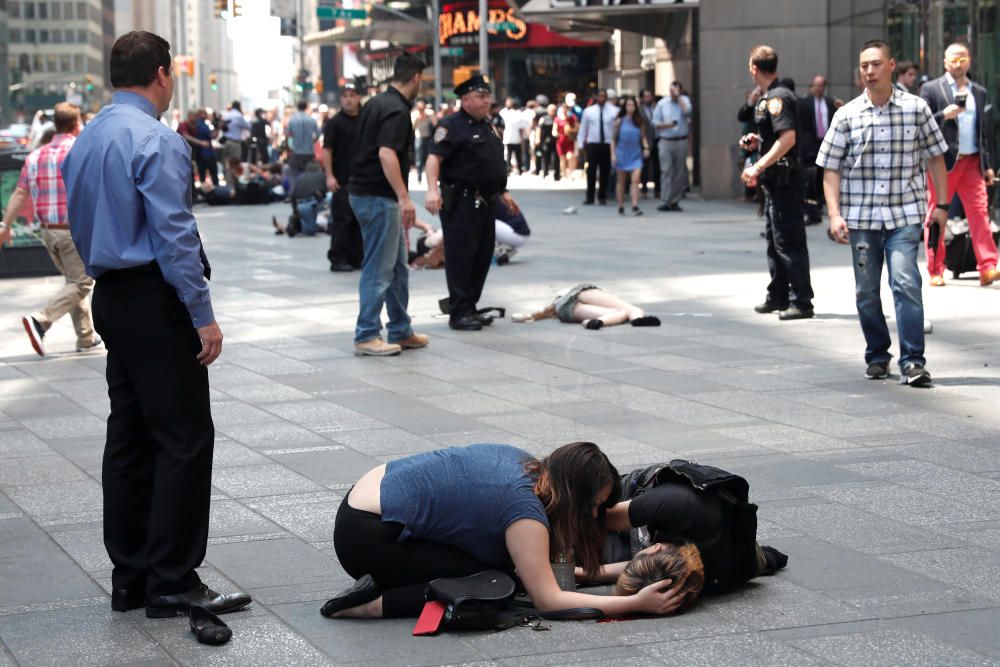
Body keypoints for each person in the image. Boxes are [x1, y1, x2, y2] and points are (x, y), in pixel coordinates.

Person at [60, 30, 250, 617]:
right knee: (184, 438)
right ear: (162, 73)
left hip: (112, 297)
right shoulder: (157, 141)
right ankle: (174, 579)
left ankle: (132, 577)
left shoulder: (86, 140)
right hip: (155, 299)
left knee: (130, 438)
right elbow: (173, 237)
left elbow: (79, 221)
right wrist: (203, 315)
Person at [320, 442, 686, 619]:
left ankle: (387, 583)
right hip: (367, 536)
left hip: (363, 504)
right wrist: (636, 604)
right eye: (593, 505)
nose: (595, 515)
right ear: (574, 495)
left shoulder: (527, 465)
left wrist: (628, 565)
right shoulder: (524, 512)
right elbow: (549, 600)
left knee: (510, 568)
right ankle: (366, 607)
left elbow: (545, 571)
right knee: (497, 581)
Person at [817, 40, 948, 386]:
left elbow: (936, 157)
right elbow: (830, 168)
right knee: (866, 292)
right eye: (864, 66)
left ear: (891, 66)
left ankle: (913, 361)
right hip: (861, 219)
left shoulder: (916, 108)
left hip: (904, 214)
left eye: (876, 64)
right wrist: (834, 214)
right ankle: (877, 354)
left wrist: (943, 206)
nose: (869, 72)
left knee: (905, 282)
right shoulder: (846, 115)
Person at [592, 461, 788, 605]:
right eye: (637, 559)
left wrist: (585, 574)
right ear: (655, 548)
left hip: (682, 538)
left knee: (598, 558)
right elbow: (597, 519)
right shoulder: (677, 504)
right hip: (639, 496)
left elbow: (773, 559)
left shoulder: (712, 581)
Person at [1, 102, 102, 357]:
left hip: (47, 232)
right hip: (71, 231)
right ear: (77, 124)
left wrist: (6, 224)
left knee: (73, 280)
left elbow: (20, 193)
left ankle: (86, 337)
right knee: (82, 282)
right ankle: (40, 320)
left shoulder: (35, 156)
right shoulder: (79, 151)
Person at [425, 74, 521, 331]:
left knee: (482, 255)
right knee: (461, 257)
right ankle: (459, 312)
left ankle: (470, 306)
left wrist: (504, 191)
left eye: (487, 96)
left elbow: (491, 164)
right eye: (480, 96)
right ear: (465, 99)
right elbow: (434, 158)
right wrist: (432, 190)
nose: (486, 101)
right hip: (462, 201)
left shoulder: (486, 125)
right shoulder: (451, 125)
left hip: (487, 201)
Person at [349, 53, 430, 356]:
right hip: (378, 197)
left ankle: (400, 328)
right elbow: (386, 154)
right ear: (416, 78)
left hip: (369, 194)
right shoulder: (396, 110)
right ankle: (367, 334)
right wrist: (404, 197)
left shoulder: (376, 103)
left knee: (397, 267)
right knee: (380, 269)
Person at [740, 45, 815, 321]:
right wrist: (757, 143)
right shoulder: (770, 96)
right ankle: (779, 295)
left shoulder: (778, 98)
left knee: (789, 240)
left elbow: (788, 138)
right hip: (776, 181)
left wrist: (757, 166)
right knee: (775, 240)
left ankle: (802, 301)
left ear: (753, 68)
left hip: (786, 180)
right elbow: (776, 138)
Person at [920, 42, 999, 287]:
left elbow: (982, 132)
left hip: (972, 161)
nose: (958, 64)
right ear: (945, 62)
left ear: (969, 61)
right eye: (953, 59)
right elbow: (921, 122)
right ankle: (935, 268)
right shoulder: (931, 89)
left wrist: (987, 165)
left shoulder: (979, 91)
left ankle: (988, 266)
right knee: (937, 213)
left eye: (962, 59)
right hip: (942, 162)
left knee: (979, 213)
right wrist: (945, 114)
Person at [323, 82, 364, 271]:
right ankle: (338, 258)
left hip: (362, 180)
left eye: (352, 95)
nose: (348, 99)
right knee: (343, 220)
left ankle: (356, 257)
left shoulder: (365, 119)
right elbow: (327, 151)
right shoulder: (334, 123)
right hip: (341, 180)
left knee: (358, 220)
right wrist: (329, 176)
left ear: (358, 98)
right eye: (345, 95)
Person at [512, 285, 661, 330]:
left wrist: (528, 316)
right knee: (628, 309)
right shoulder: (558, 303)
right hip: (581, 291)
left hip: (565, 309)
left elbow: (532, 316)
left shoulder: (554, 309)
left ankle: (596, 322)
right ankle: (636, 318)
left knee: (620, 313)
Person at [798, 76, 837, 225]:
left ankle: (820, 203)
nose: (819, 88)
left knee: (823, 176)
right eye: (817, 85)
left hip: (826, 143)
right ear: (811, 87)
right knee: (811, 178)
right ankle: (812, 207)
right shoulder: (805, 103)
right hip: (811, 147)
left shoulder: (830, 103)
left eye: (822, 86)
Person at [653, 81, 692, 212]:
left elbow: (688, 112)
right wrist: (667, 125)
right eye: (671, 90)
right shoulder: (662, 103)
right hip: (665, 141)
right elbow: (655, 123)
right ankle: (665, 200)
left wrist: (679, 97)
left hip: (681, 141)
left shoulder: (684, 101)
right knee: (666, 170)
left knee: (679, 172)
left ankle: (675, 201)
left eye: (675, 90)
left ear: (680, 90)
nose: (672, 93)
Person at [611, 96, 650, 216]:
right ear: (624, 107)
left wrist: (646, 147)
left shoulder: (639, 121)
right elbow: (613, 139)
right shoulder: (619, 121)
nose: (630, 108)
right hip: (622, 153)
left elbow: (643, 136)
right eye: (628, 105)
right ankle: (621, 205)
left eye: (632, 105)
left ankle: (634, 205)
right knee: (621, 181)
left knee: (635, 180)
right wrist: (613, 154)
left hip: (636, 154)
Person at [577, 89, 615, 205]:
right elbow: (583, 128)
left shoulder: (613, 111)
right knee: (591, 171)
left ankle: (602, 196)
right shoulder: (588, 112)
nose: (602, 98)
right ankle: (590, 196)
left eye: (604, 96)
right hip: (593, 145)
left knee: (605, 171)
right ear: (596, 97)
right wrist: (580, 144)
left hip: (607, 145)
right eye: (600, 96)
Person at [287, 100, 320, 196]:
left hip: (296, 150)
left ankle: (293, 193)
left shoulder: (292, 119)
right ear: (306, 107)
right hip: (309, 151)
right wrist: (312, 142)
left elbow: (289, 135)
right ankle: (309, 192)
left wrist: (290, 146)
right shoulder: (311, 120)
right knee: (310, 172)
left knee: (293, 173)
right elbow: (317, 134)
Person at [221, 101, 250, 185]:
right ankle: (233, 185)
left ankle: (228, 183)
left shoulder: (226, 114)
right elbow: (247, 126)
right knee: (235, 164)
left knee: (226, 164)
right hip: (235, 143)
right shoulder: (238, 115)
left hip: (226, 142)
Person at [639, 89, 660, 199]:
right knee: (645, 167)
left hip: (657, 139)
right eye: (646, 96)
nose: (648, 98)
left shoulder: (656, 108)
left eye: (649, 96)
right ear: (642, 98)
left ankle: (658, 190)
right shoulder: (639, 110)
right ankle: (644, 189)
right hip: (645, 141)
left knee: (658, 166)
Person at [499, 97, 527, 175]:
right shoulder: (515, 113)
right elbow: (522, 127)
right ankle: (516, 168)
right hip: (513, 138)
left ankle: (510, 168)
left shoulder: (506, 113)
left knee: (510, 154)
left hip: (510, 137)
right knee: (513, 154)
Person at [193, 108, 218, 185]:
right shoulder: (202, 125)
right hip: (207, 153)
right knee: (213, 174)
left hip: (200, 153)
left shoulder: (196, 124)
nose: (207, 115)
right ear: (200, 114)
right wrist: (217, 127)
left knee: (202, 175)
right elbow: (213, 135)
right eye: (205, 113)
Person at [412, 99, 434, 183]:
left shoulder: (429, 113)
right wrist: (417, 118)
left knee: (429, 157)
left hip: (428, 137)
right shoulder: (414, 114)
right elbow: (412, 127)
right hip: (419, 138)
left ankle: (430, 176)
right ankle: (419, 175)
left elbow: (435, 124)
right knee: (419, 158)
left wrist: (430, 116)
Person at [555, 100, 579, 178]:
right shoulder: (558, 119)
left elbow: (577, 128)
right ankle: (564, 174)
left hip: (569, 140)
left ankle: (570, 173)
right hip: (561, 141)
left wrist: (570, 130)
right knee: (562, 159)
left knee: (570, 156)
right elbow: (554, 130)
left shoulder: (572, 118)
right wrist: (556, 133)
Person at [537, 104, 559, 180]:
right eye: (552, 110)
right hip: (546, 141)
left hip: (556, 141)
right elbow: (539, 129)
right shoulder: (544, 119)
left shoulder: (558, 118)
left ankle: (557, 174)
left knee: (557, 158)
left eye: (555, 110)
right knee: (546, 157)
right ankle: (545, 172)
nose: (554, 112)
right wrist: (538, 138)